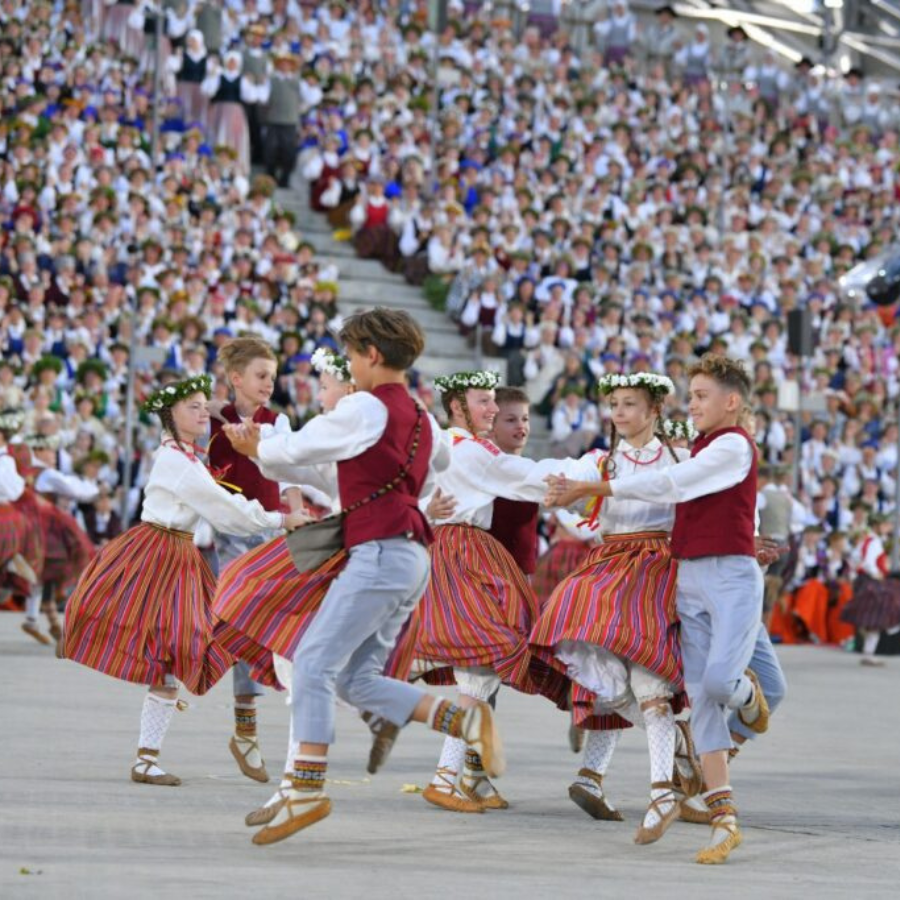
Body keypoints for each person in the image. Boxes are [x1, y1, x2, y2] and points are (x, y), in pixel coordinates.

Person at [221, 309, 504, 845]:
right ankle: (462, 720)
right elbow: (432, 467)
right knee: (356, 679)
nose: (348, 366)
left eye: (351, 355)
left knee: (311, 662)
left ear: (371, 355)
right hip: (409, 554)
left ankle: (305, 788)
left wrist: (257, 447)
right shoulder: (421, 416)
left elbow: (300, 447)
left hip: (378, 552)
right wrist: (269, 455)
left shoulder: (364, 407)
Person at [545, 354, 779, 864]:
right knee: (701, 696)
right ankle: (723, 818)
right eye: (689, 396)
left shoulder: (732, 444)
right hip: (687, 576)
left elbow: (674, 485)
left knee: (720, 684)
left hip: (729, 577)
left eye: (700, 396)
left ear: (731, 402)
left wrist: (595, 489)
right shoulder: (688, 449)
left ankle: (746, 699)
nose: (690, 405)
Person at [62, 375, 310, 787]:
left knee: (176, 652)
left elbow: (222, 502)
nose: (201, 413)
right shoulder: (177, 461)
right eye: (192, 407)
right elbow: (224, 508)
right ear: (170, 415)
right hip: (159, 553)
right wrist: (281, 519)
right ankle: (154, 756)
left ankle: (148, 758)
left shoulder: (186, 456)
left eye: (202, 406)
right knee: (179, 647)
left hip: (176, 553)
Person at [534, 373, 697, 844]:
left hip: (656, 566)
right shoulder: (600, 461)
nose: (619, 412)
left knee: (649, 677)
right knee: (572, 625)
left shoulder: (678, 459)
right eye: (615, 404)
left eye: (629, 403)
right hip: (609, 566)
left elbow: (707, 495)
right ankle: (672, 749)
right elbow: (556, 480)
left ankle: (661, 791)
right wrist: (549, 488)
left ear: (654, 410)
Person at [208, 337, 306, 786]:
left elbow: (288, 474)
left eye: (272, 376)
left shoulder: (277, 421)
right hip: (228, 531)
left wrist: (297, 512)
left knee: (259, 624)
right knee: (239, 622)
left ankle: (246, 729)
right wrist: (213, 409)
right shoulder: (211, 419)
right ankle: (243, 729)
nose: (269, 383)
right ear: (236, 378)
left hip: (270, 530)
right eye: (261, 376)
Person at [841, 514, 900, 666]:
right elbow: (868, 563)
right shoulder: (874, 542)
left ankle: (869, 652)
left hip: (865, 582)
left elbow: (854, 558)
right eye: (885, 525)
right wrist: (876, 574)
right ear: (877, 526)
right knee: (881, 615)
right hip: (871, 583)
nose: (887, 528)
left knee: (875, 620)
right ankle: (869, 651)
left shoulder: (867, 540)